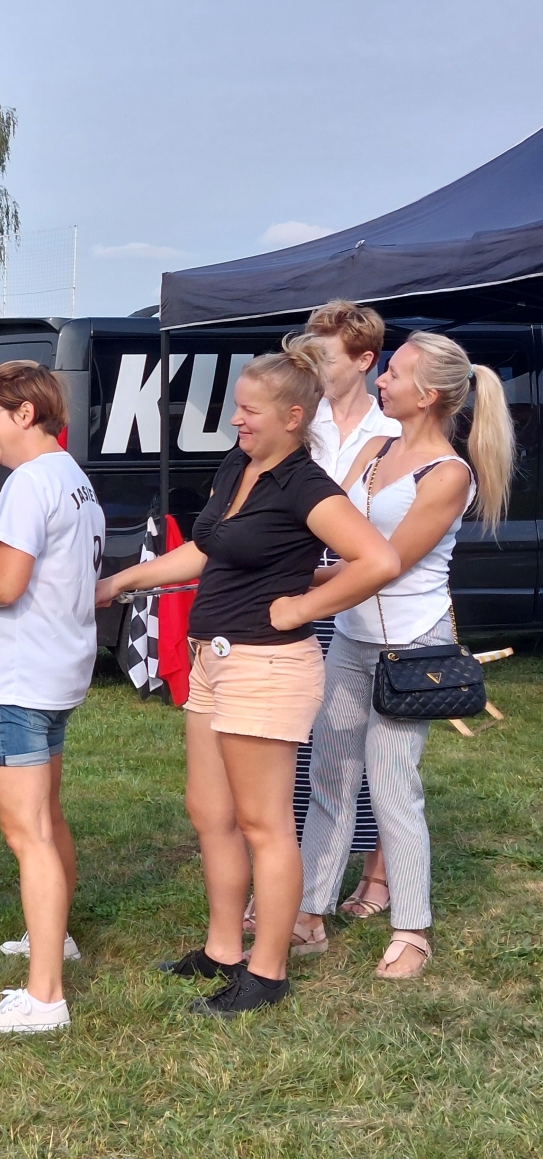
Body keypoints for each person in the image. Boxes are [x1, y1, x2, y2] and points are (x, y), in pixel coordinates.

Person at [96, 341, 399, 1017]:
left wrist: (302, 607)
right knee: (210, 813)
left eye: (249, 410)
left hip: (267, 666)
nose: (236, 419)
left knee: (265, 824)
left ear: (293, 417)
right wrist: (121, 582)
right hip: (213, 659)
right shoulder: (239, 465)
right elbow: (205, 550)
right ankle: (223, 949)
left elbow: (377, 560)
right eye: (237, 406)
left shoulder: (307, 486)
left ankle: (268, 973)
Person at [297, 332, 514, 978]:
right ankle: (308, 912)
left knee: (394, 786)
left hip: (411, 649)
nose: (381, 381)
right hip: (351, 636)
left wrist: (298, 591)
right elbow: (325, 526)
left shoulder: (449, 474)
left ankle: (412, 929)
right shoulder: (373, 449)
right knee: (329, 776)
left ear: (429, 396)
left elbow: (385, 565)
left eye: (394, 373)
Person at [0, 361, 104, 1035]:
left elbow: (5, 585)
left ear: (25, 414)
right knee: (47, 819)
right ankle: (52, 939)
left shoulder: (32, 482)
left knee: (27, 833)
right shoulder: (69, 475)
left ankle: (44, 998)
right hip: (54, 668)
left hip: (19, 677)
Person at [284, 302, 401, 926]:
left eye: (324, 356)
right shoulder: (301, 421)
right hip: (304, 579)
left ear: (364, 360)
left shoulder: (395, 428)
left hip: (374, 590)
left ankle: (378, 872)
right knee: (308, 738)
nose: (312, 366)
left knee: (384, 741)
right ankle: (295, 878)